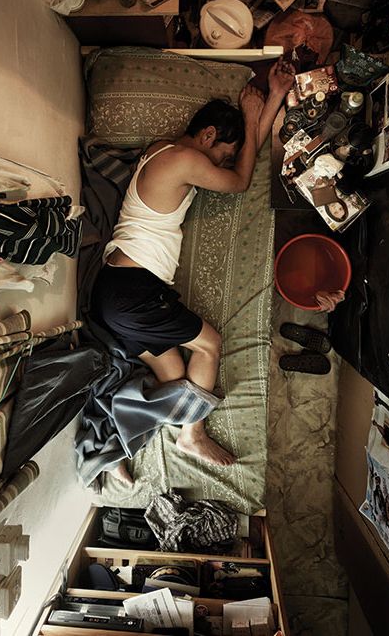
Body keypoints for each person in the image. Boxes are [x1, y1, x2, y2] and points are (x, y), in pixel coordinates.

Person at [92, 59, 295, 485]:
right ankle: (193, 435)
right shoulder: (183, 158)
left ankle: (116, 442)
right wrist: (250, 116)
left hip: (116, 292)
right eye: (220, 153)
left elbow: (241, 157)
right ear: (206, 135)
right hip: (135, 291)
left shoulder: (162, 149)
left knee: (177, 384)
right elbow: (239, 180)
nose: (220, 164)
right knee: (209, 346)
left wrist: (271, 101)